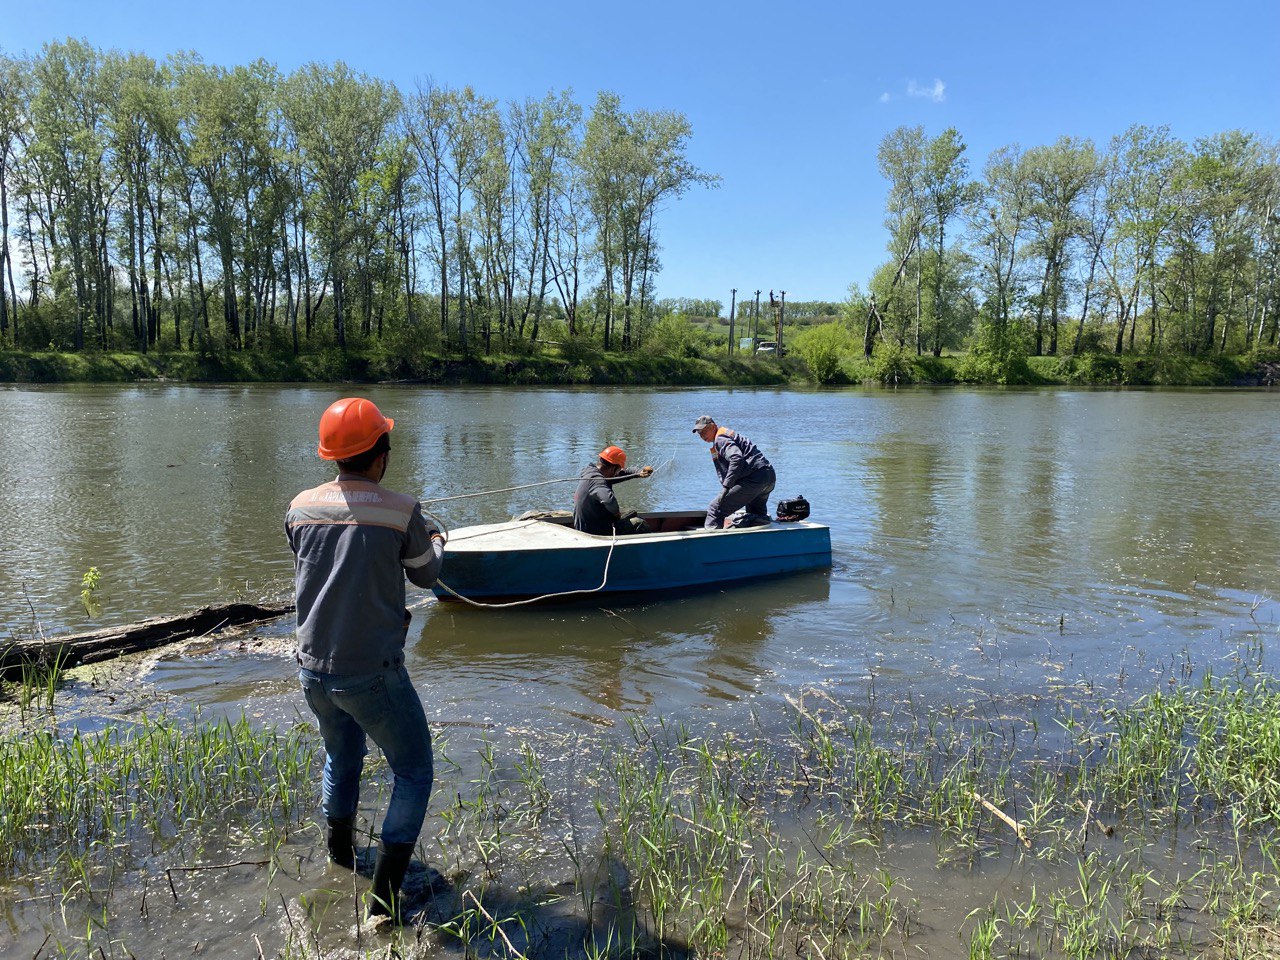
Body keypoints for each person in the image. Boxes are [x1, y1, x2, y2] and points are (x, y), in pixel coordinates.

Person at [285, 397, 444, 923]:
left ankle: (340, 859)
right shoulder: (402, 510)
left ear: (332, 456)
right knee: (415, 770)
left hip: (312, 671)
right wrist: (435, 539)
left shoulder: (300, 506)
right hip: (371, 674)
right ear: (379, 453)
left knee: (341, 758)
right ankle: (384, 899)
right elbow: (425, 575)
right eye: (387, 445)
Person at [692, 415, 777, 529]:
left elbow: (736, 457)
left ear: (713, 426)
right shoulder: (724, 435)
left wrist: (727, 486)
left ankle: (712, 542)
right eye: (699, 433)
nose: (702, 435)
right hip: (768, 476)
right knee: (756, 516)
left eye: (704, 431)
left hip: (754, 478)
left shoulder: (720, 439)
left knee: (715, 509)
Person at [572, 445, 654, 536]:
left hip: (589, 522)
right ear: (613, 468)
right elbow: (609, 501)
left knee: (631, 512)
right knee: (639, 523)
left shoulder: (590, 472)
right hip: (593, 531)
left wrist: (638, 472)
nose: (617, 473)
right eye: (617, 470)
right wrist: (616, 513)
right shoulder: (599, 483)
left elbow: (623, 473)